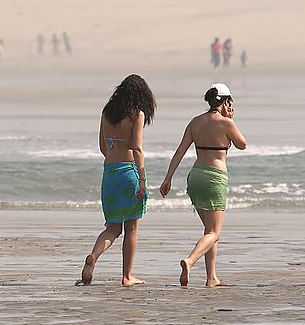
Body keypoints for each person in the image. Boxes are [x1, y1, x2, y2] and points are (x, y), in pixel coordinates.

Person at [159, 82, 247, 287]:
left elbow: (180, 151)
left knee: (209, 230)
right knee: (213, 233)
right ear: (225, 102)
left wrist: (168, 178)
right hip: (215, 177)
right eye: (229, 102)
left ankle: (211, 278)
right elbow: (242, 144)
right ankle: (189, 261)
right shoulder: (226, 123)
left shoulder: (195, 122)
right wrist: (230, 121)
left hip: (196, 175)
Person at [78, 74, 156, 287]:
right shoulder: (136, 114)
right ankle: (127, 276)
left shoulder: (106, 113)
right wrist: (142, 179)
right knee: (131, 228)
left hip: (109, 173)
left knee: (112, 228)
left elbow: (103, 147)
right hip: (129, 171)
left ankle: (94, 255)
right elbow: (137, 148)